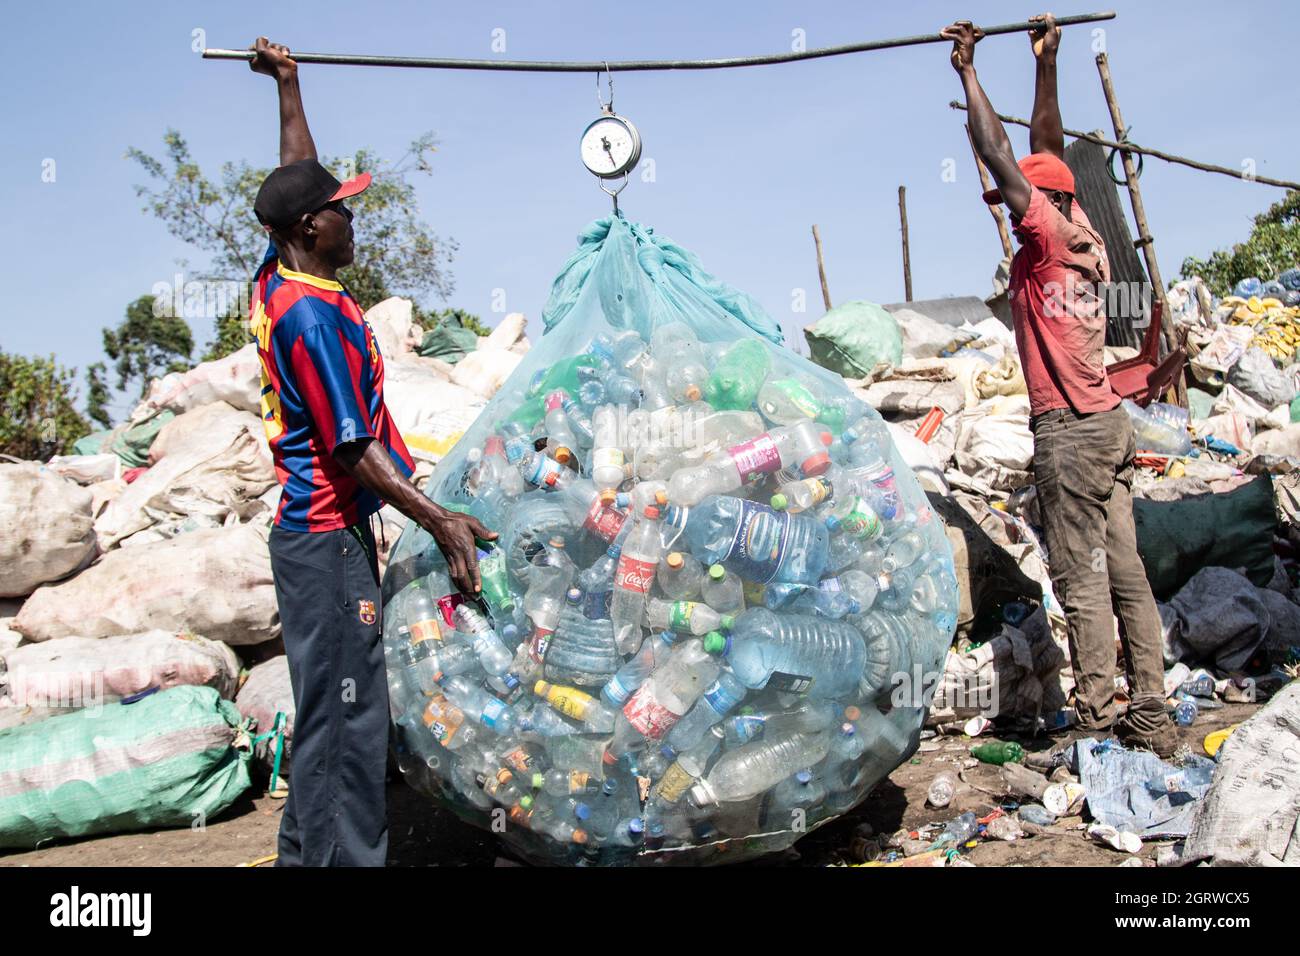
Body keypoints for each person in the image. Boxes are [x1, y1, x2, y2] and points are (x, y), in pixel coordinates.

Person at [246, 36, 497, 865]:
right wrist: (439, 520)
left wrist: (289, 85)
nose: (354, 216)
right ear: (313, 228)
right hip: (325, 540)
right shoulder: (310, 319)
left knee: (335, 714)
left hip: (320, 539)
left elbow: (298, 170)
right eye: (343, 208)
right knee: (349, 727)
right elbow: (351, 448)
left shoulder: (284, 276)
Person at [941, 18, 1177, 756]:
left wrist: (968, 73)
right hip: (1109, 423)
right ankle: (1154, 713)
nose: (1009, 222)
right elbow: (1047, 151)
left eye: (1016, 209)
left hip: (1072, 433)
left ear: (1035, 207)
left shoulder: (1042, 236)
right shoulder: (1086, 237)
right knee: (1128, 575)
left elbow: (1002, 152)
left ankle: (1102, 722)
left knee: (1082, 581)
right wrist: (1046, 64)